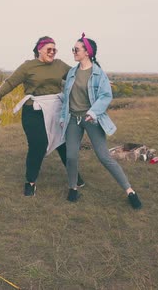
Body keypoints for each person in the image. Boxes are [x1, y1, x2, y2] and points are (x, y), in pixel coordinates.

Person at [0, 36, 84, 197]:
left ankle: (75, 178)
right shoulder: (28, 66)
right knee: (38, 145)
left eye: (54, 49)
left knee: (63, 143)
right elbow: (11, 82)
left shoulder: (59, 65)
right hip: (34, 110)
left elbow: (78, 75)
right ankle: (30, 182)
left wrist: (98, 81)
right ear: (39, 49)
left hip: (57, 109)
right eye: (49, 49)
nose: (52, 52)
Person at [60, 33, 142, 209]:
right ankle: (73, 188)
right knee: (71, 156)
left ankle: (130, 191)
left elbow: (106, 96)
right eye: (72, 48)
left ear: (87, 52)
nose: (73, 51)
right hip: (73, 119)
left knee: (104, 156)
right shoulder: (72, 73)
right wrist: (62, 118)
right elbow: (66, 97)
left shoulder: (98, 74)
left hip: (92, 119)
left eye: (76, 49)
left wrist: (93, 112)